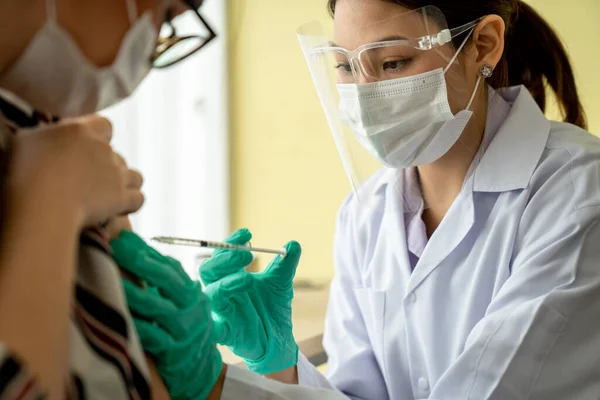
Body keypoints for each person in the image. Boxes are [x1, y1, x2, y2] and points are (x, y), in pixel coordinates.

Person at [165, 0, 600, 399]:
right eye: (344, 67)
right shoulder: (366, 212)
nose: (365, 94)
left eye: (393, 62)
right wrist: (282, 367)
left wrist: (217, 384)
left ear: (482, 45)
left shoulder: (578, 193)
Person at [0, 0, 349, 399]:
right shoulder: (57, 159)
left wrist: (215, 381)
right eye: (166, 15)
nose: (149, 48)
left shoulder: (54, 142)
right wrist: (52, 202)